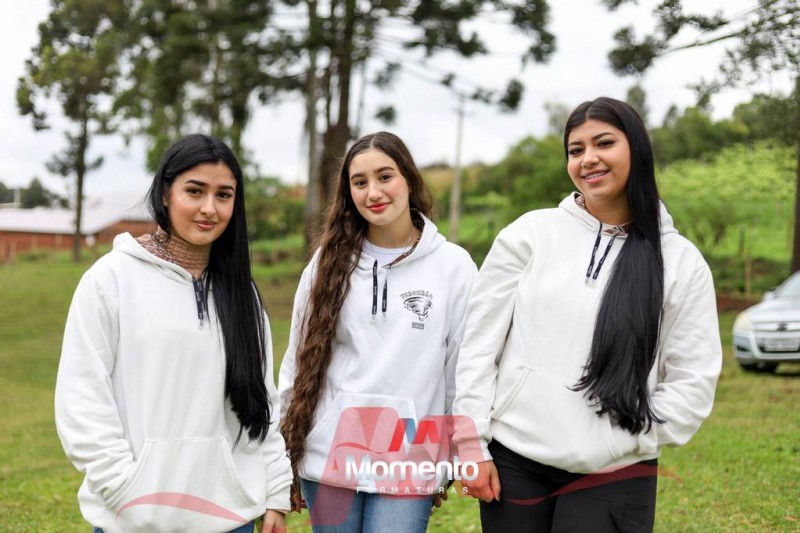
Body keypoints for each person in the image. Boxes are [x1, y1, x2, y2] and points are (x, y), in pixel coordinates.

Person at [453, 97, 722, 532]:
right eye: (575, 150)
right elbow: (478, 346)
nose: (588, 158)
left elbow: (693, 380)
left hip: (616, 471)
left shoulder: (680, 262)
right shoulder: (529, 234)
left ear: (637, 150)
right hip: (515, 460)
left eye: (604, 143)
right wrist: (471, 444)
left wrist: (623, 439)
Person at [55, 134, 292, 533]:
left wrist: (275, 491)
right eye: (194, 191)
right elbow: (82, 396)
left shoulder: (242, 293)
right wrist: (123, 487)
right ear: (165, 194)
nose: (209, 208)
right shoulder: (111, 279)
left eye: (223, 195)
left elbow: (260, 401)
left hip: (231, 517)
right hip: (135, 517)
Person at [278, 131, 477, 532]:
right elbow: (298, 363)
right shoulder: (326, 264)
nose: (373, 192)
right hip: (329, 458)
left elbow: (461, 371)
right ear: (348, 192)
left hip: (409, 462)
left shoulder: (453, 267)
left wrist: (455, 456)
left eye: (385, 176)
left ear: (409, 179)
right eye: (360, 182)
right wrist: (283, 455)